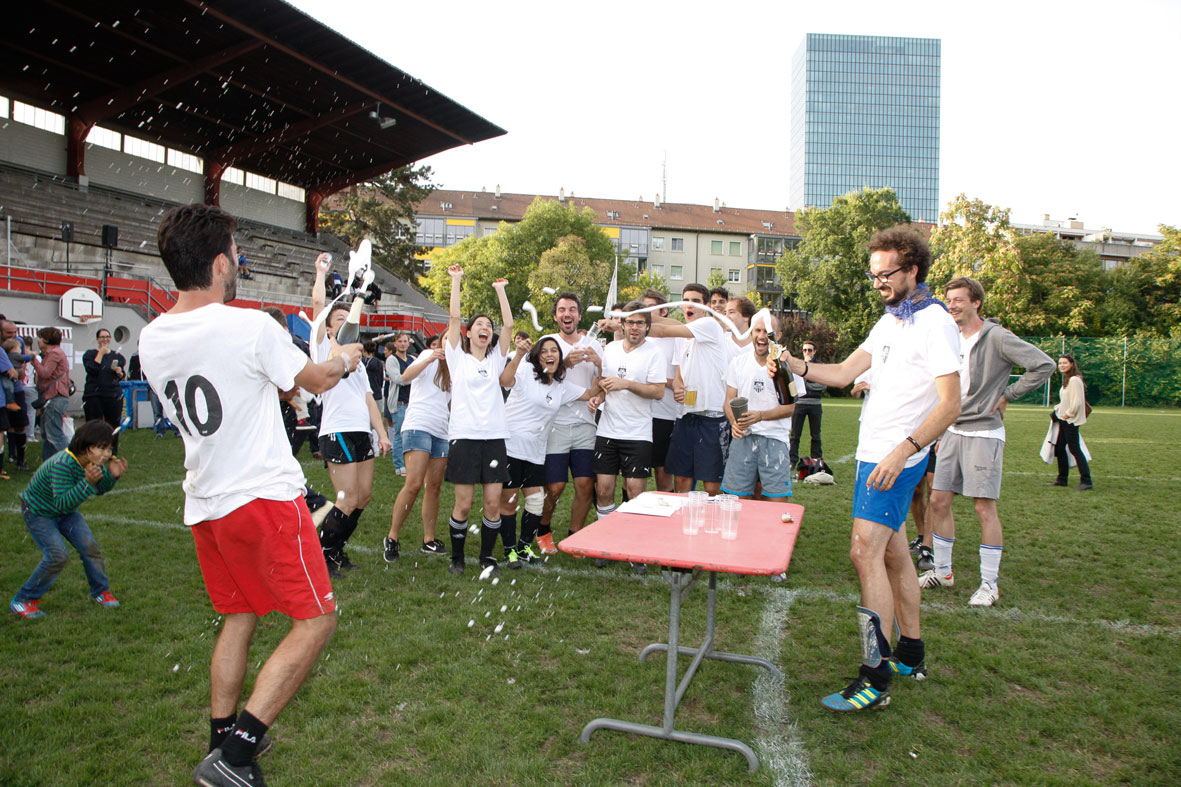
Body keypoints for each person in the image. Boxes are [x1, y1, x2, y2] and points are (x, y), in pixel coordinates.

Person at [140, 203, 361, 784]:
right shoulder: (248, 325)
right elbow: (314, 380)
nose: (239, 263)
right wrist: (342, 358)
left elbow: (233, 388)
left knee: (238, 618)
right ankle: (238, 754)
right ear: (218, 263)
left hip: (206, 502)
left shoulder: (152, 337)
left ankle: (220, 747)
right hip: (261, 498)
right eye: (235, 255)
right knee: (315, 622)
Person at [778, 225, 961, 712]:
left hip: (895, 458)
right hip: (871, 453)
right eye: (873, 275)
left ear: (913, 270)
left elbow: (950, 405)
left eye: (887, 274)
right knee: (896, 555)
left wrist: (904, 451)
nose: (878, 282)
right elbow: (840, 374)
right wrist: (791, 361)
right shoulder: (889, 322)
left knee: (864, 552)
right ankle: (910, 653)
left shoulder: (935, 323)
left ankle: (874, 677)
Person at [917, 277, 1055, 608]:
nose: (952, 305)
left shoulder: (997, 337)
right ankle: (944, 571)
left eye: (959, 300)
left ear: (976, 302)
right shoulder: (950, 337)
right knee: (938, 502)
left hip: (984, 432)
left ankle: (989, 585)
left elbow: (1044, 365)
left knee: (983, 507)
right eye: (949, 300)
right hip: (951, 430)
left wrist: (1008, 394)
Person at [312, 254, 392, 576]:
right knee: (346, 499)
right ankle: (322, 554)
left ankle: (335, 550)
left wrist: (382, 434)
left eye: (350, 318)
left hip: (361, 432)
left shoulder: (355, 360)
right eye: (340, 318)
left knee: (363, 497)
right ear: (331, 326)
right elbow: (319, 304)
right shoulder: (323, 350)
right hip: (337, 431)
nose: (348, 321)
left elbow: (370, 400)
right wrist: (322, 273)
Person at [9, 420, 127, 619]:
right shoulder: (63, 464)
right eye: (102, 448)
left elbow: (98, 489)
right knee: (57, 554)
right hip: (39, 512)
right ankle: (23, 600)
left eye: (109, 449)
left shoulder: (90, 462)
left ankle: (101, 592)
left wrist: (112, 477)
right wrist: (88, 482)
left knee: (90, 548)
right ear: (86, 447)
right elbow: (63, 502)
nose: (107, 454)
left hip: (65, 512)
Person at [443, 265, 514, 575]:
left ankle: (487, 557)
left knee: (492, 505)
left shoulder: (497, 358)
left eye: (488, 325)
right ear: (469, 333)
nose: (485, 328)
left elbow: (509, 326)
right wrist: (456, 281)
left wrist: (501, 291)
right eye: (479, 325)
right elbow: (454, 319)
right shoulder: (457, 358)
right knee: (463, 505)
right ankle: (457, 558)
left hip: (494, 439)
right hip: (464, 438)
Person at [499, 335, 592, 568]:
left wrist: (600, 365)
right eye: (544, 351)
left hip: (536, 451)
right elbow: (505, 380)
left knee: (536, 502)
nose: (550, 355)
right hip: (511, 446)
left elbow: (590, 394)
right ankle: (510, 552)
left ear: (560, 358)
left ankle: (523, 548)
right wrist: (519, 354)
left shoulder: (561, 386)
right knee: (509, 502)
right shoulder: (526, 371)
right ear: (537, 356)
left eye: (554, 351)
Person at [587, 301, 665, 572]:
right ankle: (608, 543)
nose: (634, 327)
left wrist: (626, 385)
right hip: (608, 430)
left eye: (640, 323)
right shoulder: (609, 349)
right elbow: (605, 385)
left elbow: (657, 392)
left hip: (638, 433)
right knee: (604, 489)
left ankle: (635, 548)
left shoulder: (654, 352)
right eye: (630, 322)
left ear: (647, 326)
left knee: (635, 493)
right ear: (622, 324)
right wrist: (598, 396)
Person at [537, 293, 603, 553]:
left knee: (585, 484)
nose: (567, 314)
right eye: (562, 309)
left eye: (572, 310)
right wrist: (563, 363)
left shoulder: (594, 344)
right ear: (555, 316)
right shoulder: (547, 343)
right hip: (555, 423)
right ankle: (543, 529)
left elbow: (601, 384)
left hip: (586, 424)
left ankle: (574, 535)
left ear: (579, 315)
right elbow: (539, 378)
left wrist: (598, 366)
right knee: (555, 485)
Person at [649, 283, 729, 495]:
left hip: (711, 417)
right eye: (685, 301)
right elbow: (679, 376)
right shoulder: (684, 338)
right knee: (682, 479)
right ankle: (682, 526)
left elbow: (662, 329)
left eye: (695, 301)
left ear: (706, 307)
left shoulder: (709, 325)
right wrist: (677, 385)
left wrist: (627, 324)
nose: (689, 305)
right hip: (685, 416)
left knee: (712, 484)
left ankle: (714, 525)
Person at [384, 335, 451, 561]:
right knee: (413, 484)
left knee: (433, 486)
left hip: (442, 431)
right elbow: (405, 377)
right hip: (418, 426)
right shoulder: (426, 355)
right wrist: (430, 357)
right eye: (448, 338)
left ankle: (428, 540)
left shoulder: (458, 366)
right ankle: (392, 537)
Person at [721, 312, 795, 500]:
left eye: (767, 332)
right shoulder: (738, 363)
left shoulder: (787, 366)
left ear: (777, 336)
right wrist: (734, 423)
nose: (762, 336)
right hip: (743, 440)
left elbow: (792, 408)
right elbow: (729, 401)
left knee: (776, 504)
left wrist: (760, 416)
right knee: (738, 501)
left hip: (775, 440)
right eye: (758, 330)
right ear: (752, 333)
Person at [641, 290, 678, 492]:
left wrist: (659, 382)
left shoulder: (675, 337)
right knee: (636, 474)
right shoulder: (638, 338)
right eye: (643, 308)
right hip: (639, 414)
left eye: (651, 308)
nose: (646, 313)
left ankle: (667, 517)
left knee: (662, 473)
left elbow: (681, 382)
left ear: (664, 311)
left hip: (665, 414)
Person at [1049, 354, 1093, 490]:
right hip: (1063, 419)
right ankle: (1062, 479)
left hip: (1070, 421)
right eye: (1060, 363)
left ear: (1072, 364)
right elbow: (1066, 401)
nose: (1062, 365)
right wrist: (1058, 413)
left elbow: (1078, 401)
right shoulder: (1067, 380)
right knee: (1060, 448)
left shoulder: (1074, 380)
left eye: (1065, 363)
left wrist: (1068, 415)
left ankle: (1086, 481)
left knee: (1074, 449)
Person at [30, 327, 73, 460]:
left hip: (54, 397)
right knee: (47, 435)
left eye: (40, 337)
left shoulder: (54, 353)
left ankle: (70, 464)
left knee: (54, 434)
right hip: (54, 397)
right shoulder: (56, 352)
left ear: (46, 340)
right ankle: (48, 466)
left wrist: (33, 360)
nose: (38, 340)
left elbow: (45, 373)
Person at [81, 328, 126, 453]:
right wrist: (100, 353)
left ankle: (111, 451)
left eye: (107, 337)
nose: (105, 339)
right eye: (102, 337)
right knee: (93, 425)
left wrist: (120, 372)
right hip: (94, 394)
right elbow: (92, 370)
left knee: (113, 425)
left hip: (112, 395)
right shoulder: (89, 354)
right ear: (97, 339)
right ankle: (92, 449)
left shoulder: (117, 356)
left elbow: (122, 375)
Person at [789, 341, 826, 470]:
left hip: (815, 405)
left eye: (810, 350)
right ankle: (792, 460)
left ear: (814, 351)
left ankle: (816, 460)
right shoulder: (798, 365)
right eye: (805, 350)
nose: (807, 353)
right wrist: (808, 381)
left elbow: (822, 385)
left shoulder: (820, 366)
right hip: (799, 404)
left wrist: (806, 385)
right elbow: (794, 384)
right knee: (795, 435)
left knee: (816, 435)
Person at [384, 332, 415, 477]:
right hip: (399, 403)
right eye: (400, 341)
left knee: (411, 435)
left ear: (409, 343)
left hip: (412, 403)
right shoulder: (392, 360)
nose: (403, 344)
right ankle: (399, 465)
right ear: (395, 343)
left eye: (405, 341)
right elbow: (397, 379)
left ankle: (410, 464)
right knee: (399, 435)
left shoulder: (412, 359)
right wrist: (413, 377)